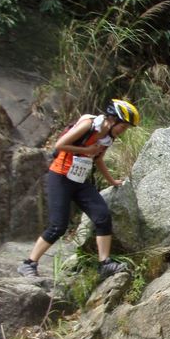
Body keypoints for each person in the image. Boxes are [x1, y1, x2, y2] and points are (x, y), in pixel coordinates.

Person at [17, 99, 140, 280]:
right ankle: (29, 263)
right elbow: (60, 145)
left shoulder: (108, 136)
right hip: (60, 177)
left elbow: (98, 159)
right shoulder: (89, 125)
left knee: (102, 215)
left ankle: (105, 264)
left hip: (80, 180)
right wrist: (87, 150)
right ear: (113, 119)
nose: (123, 131)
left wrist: (112, 181)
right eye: (123, 127)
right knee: (58, 226)